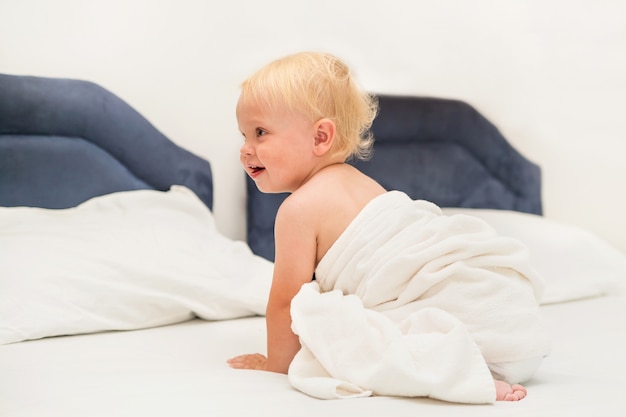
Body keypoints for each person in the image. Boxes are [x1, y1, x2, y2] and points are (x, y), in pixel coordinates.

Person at [227, 51, 548, 402]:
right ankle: (475, 366)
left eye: (260, 132)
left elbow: (286, 302)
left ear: (320, 137)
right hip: (508, 325)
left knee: (333, 321)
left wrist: (276, 365)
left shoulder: (296, 210)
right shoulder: (363, 184)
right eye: (243, 135)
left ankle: (460, 372)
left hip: (468, 331)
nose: (246, 149)